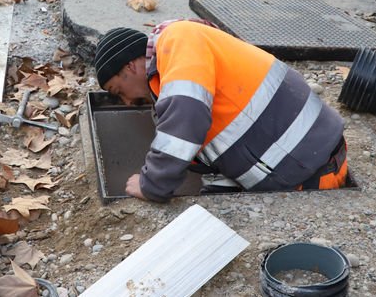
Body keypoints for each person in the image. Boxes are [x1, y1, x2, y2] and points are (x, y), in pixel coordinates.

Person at [94, 19, 349, 202]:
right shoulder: (177, 74)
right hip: (307, 166)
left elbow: (185, 121)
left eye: (118, 91)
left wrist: (151, 185)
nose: (126, 102)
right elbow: (215, 158)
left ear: (130, 67)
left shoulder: (177, 40)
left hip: (314, 174)